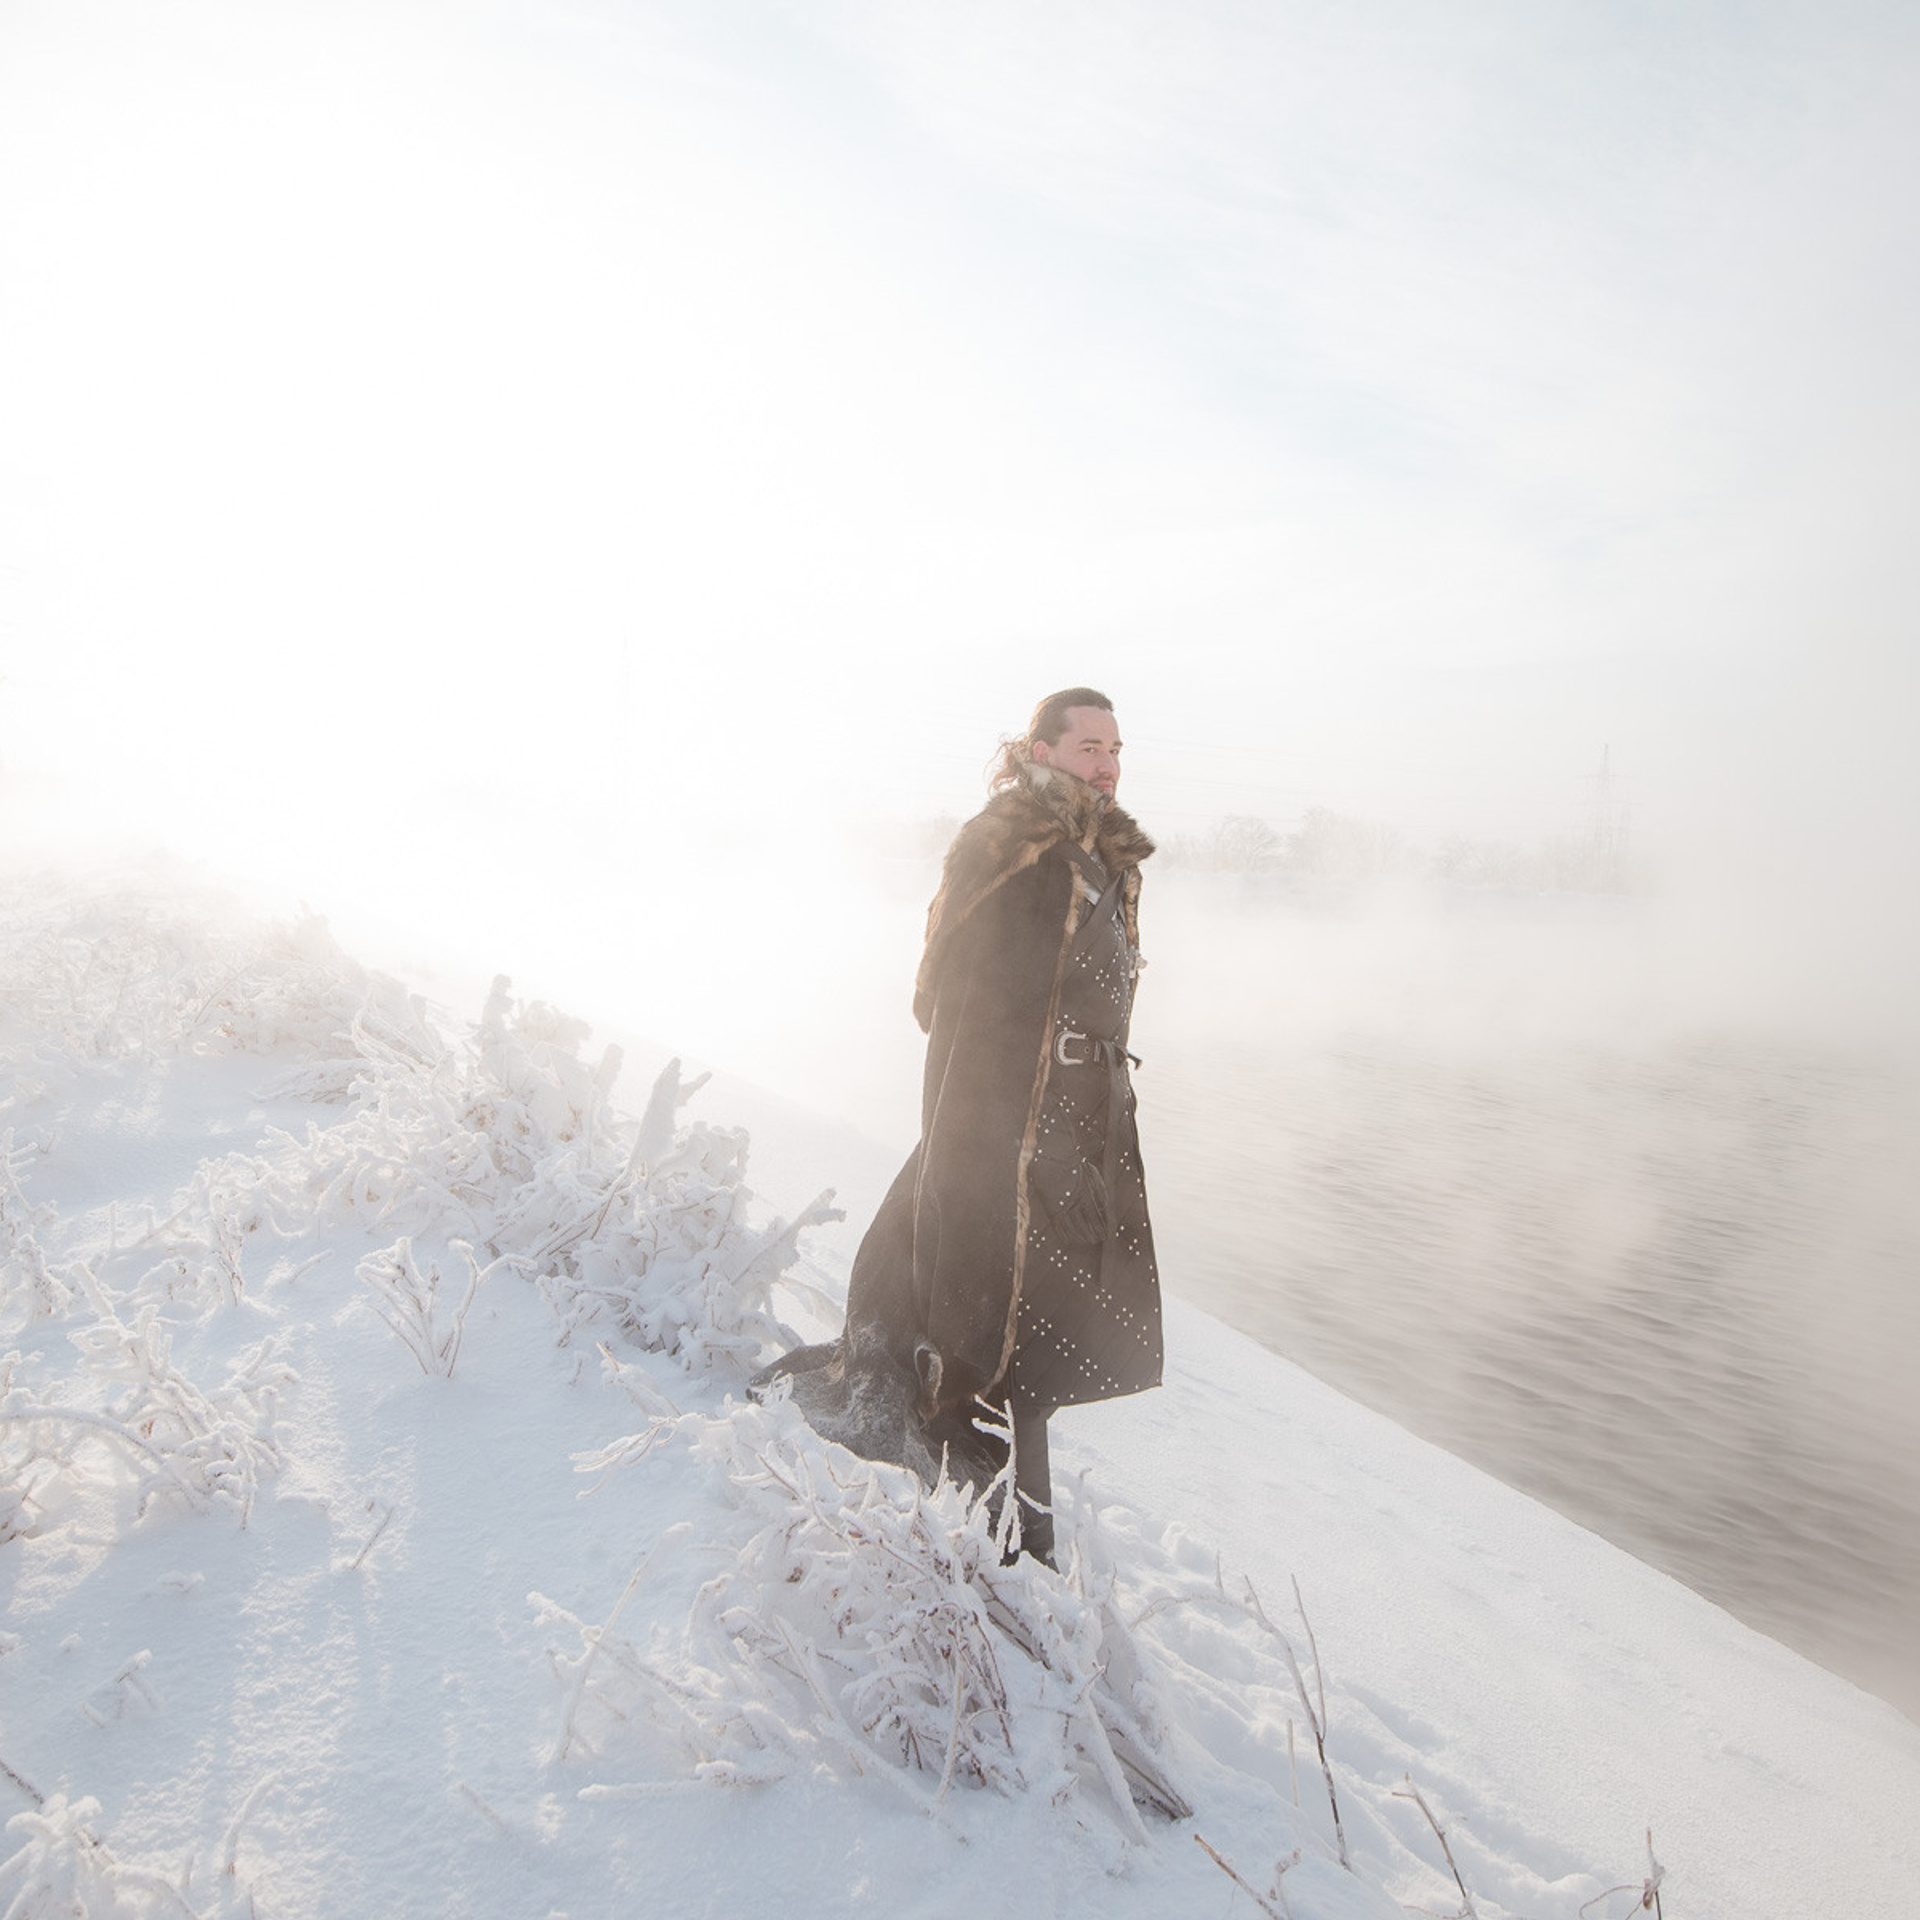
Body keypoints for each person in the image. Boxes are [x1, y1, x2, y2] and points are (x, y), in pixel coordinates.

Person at [754, 688, 1163, 1563]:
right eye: (1089, 747)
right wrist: (1007, 1134)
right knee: (1004, 1307)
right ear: (1043, 752)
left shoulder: (1100, 853)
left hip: (1080, 1111)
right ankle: (1014, 1533)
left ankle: (1019, 1520)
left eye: (1115, 748)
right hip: (1011, 1113)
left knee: (1047, 1315)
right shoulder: (1016, 848)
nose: (1107, 764)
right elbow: (969, 1008)